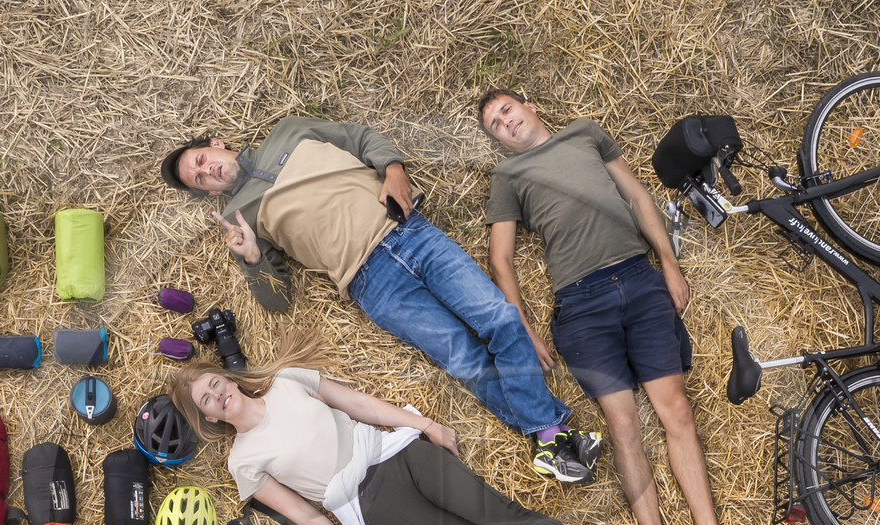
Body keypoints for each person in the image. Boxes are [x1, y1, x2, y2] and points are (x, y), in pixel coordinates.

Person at [159, 118, 603, 484]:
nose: (206, 172)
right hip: (371, 281)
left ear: (216, 144)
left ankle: (549, 437)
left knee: (500, 318)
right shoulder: (243, 217)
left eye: (201, 161)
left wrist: (393, 169)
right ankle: (551, 433)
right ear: (210, 194)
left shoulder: (289, 130)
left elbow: (361, 139)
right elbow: (278, 302)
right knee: (462, 356)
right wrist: (252, 258)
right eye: (198, 180)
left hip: (411, 231)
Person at [169, 332, 667, 525]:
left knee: (503, 518)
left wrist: (424, 424)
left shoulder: (287, 380)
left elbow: (362, 405)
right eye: (206, 401)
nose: (218, 395)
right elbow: (303, 515)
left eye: (215, 383)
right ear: (206, 417)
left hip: (397, 453)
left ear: (226, 378)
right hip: (370, 507)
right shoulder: (244, 462)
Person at [477, 89, 765, 525]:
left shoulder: (585, 133)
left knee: (676, 411)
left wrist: (669, 264)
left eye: (507, 110)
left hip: (639, 280)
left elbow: (637, 197)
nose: (505, 122)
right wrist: (523, 328)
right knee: (624, 424)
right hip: (581, 305)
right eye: (495, 125)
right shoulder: (508, 178)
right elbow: (502, 260)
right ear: (498, 142)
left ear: (532, 106)